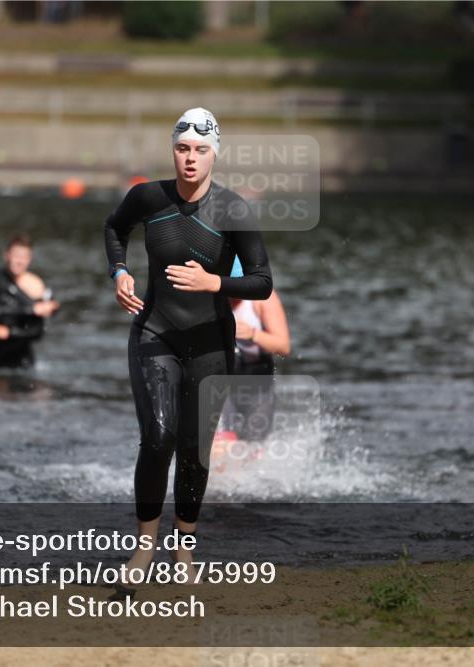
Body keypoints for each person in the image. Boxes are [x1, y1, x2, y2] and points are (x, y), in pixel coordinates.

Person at [103, 107, 272, 582]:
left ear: (214, 154)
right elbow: (114, 228)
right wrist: (119, 271)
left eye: (200, 150)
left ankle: (183, 549)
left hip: (211, 341)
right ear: (173, 152)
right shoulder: (147, 196)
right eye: (182, 149)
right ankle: (144, 547)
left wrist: (213, 282)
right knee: (159, 437)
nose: (190, 158)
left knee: (195, 450)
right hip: (154, 332)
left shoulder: (233, 210)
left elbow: (262, 281)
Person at [216, 256, 291, 443]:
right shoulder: (211, 296)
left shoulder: (264, 300)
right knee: (221, 443)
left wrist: (253, 335)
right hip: (223, 380)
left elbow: (283, 346)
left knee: (253, 445)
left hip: (258, 380)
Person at [0, 233, 60, 370]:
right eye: (16, 255)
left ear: (29, 259)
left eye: (24, 257)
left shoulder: (36, 286)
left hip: (23, 361)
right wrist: (32, 309)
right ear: (7, 255)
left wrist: (7, 332)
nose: (19, 261)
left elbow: (39, 330)